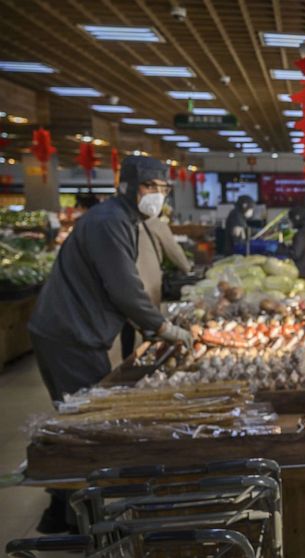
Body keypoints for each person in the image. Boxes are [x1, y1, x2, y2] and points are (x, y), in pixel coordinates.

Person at [27, 155, 193, 533]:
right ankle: (73, 517)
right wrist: (163, 327)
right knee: (89, 424)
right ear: (132, 188)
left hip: (74, 330)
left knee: (79, 418)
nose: (158, 195)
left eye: (163, 189)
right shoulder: (108, 222)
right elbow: (123, 288)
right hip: (70, 333)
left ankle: (65, 508)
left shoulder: (123, 218)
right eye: (153, 188)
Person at [120, 214, 193, 359]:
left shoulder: (122, 222)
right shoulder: (155, 224)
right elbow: (174, 252)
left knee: (127, 325)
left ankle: (128, 362)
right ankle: (149, 361)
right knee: (151, 326)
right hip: (147, 282)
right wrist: (187, 268)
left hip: (126, 281)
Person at [287, 205, 305, 277]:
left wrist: (282, 249)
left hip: (301, 271)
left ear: (297, 218)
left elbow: (296, 253)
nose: (291, 223)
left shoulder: (301, 234)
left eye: (291, 220)